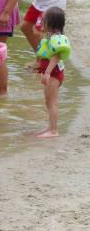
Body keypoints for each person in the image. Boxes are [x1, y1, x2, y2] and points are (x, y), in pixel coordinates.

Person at [34, 7, 70, 138]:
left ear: (52, 23)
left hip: (54, 74)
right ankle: (50, 127)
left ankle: (54, 130)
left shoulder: (58, 38)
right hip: (51, 73)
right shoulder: (51, 36)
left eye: (44, 20)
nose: (41, 22)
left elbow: (56, 57)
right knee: (48, 101)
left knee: (52, 101)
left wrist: (47, 72)